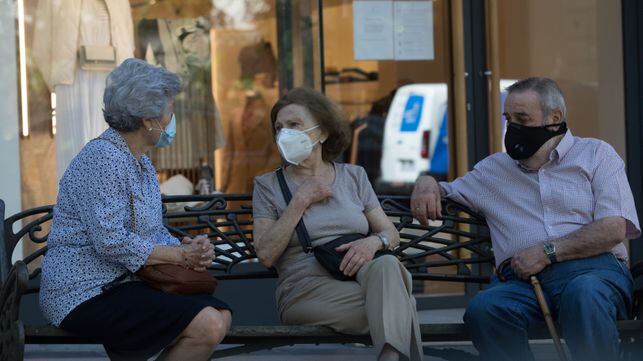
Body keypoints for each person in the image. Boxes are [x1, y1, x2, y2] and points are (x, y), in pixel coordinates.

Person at [410, 77, 640, 361]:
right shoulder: (493, 170)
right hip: (522, 283)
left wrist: (547, 253)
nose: (512, 128)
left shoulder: (597, 155)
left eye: (522, 118)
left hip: (593, 273)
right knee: (486, 308)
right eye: (508, 118)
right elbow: (443, 191)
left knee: (583, 294)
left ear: (554, 118)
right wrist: (424, 182)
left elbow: (614, 228)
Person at [39, 58, 231, 361]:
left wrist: (187, 247)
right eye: (169, 111)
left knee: (220, 316)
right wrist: (179, 256)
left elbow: (150, 232)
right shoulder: (103, 157)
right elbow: (111, 240)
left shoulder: (138, 160)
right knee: (208, 324)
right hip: (85, 293)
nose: (172, 119)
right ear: (147, 119)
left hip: (125, 284)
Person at [252, 87, 423, 361]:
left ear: (322, 132)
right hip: (305, 289)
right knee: (402, 305)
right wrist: (300, 201)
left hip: (362, 277)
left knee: (388, 264)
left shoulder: (354, 176)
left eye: (294, 125)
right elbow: (266, 254)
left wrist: (371, 243)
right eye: (279, 127)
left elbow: (389, 233)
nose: (285, 133)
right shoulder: (268, 186)